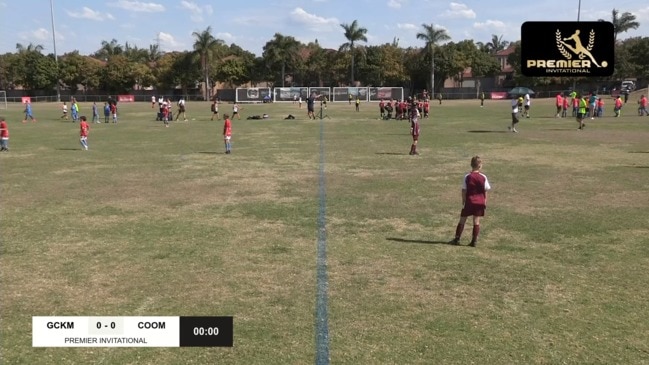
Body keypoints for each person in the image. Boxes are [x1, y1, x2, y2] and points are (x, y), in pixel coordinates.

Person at [450, 156, 491, 247]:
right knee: (476, 221)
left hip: (469, 201)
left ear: (471, 165)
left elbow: (464, 190)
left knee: (462, 219)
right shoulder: (483, 177)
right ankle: (474, 241)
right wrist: (484, 201)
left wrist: (464, 201)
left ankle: (457, 238)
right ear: (480, 166)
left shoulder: (467, 177)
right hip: (479, 202)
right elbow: (486, 190)